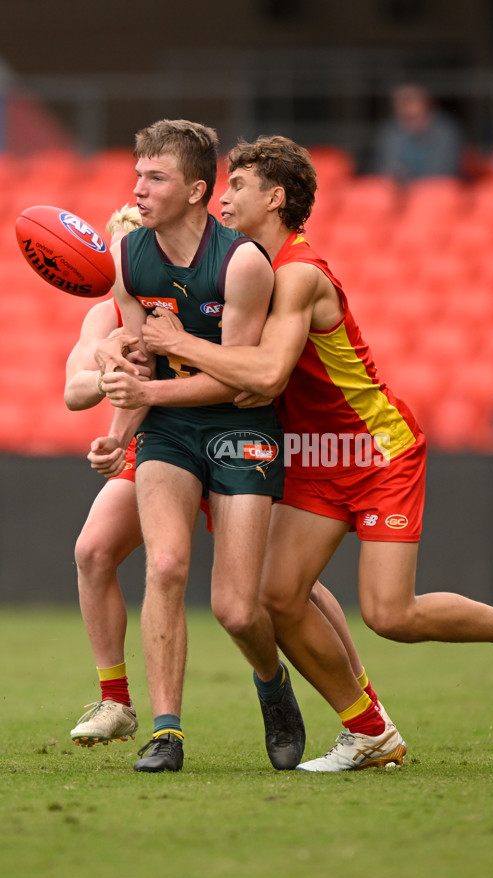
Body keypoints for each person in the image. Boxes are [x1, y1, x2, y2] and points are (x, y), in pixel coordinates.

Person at [103, 134, 493, 773]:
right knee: (276, 598)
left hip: (376, 449)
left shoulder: (296, 273)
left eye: (237, 187)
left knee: (391, 614)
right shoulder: (245, 267)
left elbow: (267, 376)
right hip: (314, 453)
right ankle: (369, 731)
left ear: (274, 198)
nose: (223, 199)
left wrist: (177, 342)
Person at [88, 120, 399, 774]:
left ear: (197, 190)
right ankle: (166, 732)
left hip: (239, 430)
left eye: (156, 177)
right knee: (165, 567)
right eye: (137, 175)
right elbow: (144, 356)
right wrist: (118, 421)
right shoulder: (126, 257)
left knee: (237, 606)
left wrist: (154, 379)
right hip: (170, 433)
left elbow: (233, 376)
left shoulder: (244, 263)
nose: (138, 189)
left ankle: (271, 682)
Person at [66, 204, 146, 748]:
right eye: (112, 256)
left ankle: (359, 701)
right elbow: (73, 392)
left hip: (217, 438)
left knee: (278, 589)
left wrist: (117, 434)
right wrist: (106, 366)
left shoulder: (188, 301)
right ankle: (115, 701)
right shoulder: (103, 316)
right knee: (92, 552)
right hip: (149, 451)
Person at [369, 83, 464, 182]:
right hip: (398, 190)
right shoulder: (390, 131)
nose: (405, 107)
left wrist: (407, 180)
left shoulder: (445, 131)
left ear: (426, 103)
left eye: (410, 101)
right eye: (401, 102)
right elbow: (382, 167)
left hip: (434, 189)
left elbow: (444, 171)